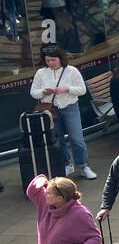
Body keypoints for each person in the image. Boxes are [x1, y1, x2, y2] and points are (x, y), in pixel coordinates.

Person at [29, 45, 94, 179]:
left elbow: (82, 90)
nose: (51, 63)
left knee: (77, 139)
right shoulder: (41, 73)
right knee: (58, 139)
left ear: (60, 59)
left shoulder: (71, 71)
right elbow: (33, 92)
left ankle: (83, 166)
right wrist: (43, 91)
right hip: (51, 110)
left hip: (70, 107)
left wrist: (67, 88)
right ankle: (66, 163)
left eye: (54, 60)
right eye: (48, 61)